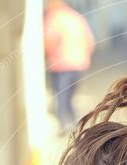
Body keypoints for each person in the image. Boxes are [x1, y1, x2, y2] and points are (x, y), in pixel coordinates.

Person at [43, 0, 95, 132]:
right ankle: (76, 125)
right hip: (78, 64)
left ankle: (63, 126)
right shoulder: (76, 17)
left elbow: (49, 40)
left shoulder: (54, 18)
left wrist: (47, 56)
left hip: (61, 64)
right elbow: (90, 41)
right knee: (69, 96)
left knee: (61, 97)